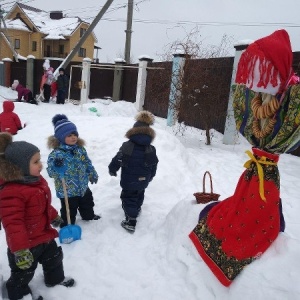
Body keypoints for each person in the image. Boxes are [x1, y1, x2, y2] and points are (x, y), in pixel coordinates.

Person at [0, 133, 75, 300]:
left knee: (54, 259)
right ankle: (18, 293)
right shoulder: (12, 192)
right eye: (35, 162)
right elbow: (13, 224)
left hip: (44, 235)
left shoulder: (36, 181)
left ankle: (55, 280)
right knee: (23, 272)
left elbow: (43, 206)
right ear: (19, 167)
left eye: (40, 160)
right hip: (25, 245)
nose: (40, 165)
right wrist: (19, 250)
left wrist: (53, 216)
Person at [108, 111, 159, 233]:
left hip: (129, 180)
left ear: (133, 132)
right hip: (143, 179)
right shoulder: (151, 148)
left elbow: (118, 159)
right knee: (139, 194)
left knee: (128, 197)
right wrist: (150, 176)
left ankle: (131, 221)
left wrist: (112, 168)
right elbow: (154, 164)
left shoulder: (127, 146)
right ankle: (137, 208)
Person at [47, 114, 100, 227]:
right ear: (61, 137)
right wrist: (56, 166)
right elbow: (51, 173)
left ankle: (88, 216)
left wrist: (92, 173)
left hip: (83, 186)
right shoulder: (56, 154)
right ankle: (67, 225)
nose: (73, 137)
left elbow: (87, 162)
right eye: (69, 135)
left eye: (75, 134)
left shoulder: (80, 149)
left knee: (87, 203)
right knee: (68, 209)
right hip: (67, 190)